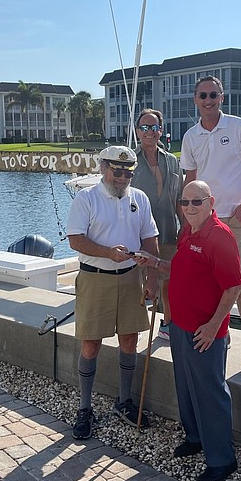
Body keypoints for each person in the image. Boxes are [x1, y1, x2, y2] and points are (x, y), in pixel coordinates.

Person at [133, 180, 241, 481]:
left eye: (197, 202)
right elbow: (182, 270)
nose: (190, 208)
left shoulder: (219, 236)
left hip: (204, 332)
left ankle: (222, 460)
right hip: (179, 326)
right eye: (185, 202)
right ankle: (195, 437)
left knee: (210, 393)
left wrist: (212, 325)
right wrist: (153, 262)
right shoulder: (188, 231)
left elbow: (233, 286)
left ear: (211, 202)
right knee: (186, 387)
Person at [180, 75, 241, 377]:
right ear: (195, 100)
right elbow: (190, 180)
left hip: (232, 219)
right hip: (201, 219)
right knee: (206, 280)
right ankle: (222, 336)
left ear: (222, 98)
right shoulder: (191, 136)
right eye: (203, 96)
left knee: (240, 282)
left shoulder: (238, 127)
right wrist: (187, 218)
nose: (208, 101)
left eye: (213, 95)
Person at [66, 145, 160, 440]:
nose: (122, 178)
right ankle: (84, 408)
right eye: (117, 171)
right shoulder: (87, 198)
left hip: (131, 277)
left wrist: (152, 278)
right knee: (90, 342)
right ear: (103, 169)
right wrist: (107, 252)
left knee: (130, 339)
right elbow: (75, 240)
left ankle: (124, 401)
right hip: (96, 278)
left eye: (128, 172)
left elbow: (150, 238)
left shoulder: (139, 198)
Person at [132, 108, 181, 340]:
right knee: (139, 282)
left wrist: (186, 229)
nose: (149, 132)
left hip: (169, 231)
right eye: (144, 127)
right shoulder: (130, 162)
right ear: (137, 131)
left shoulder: (171, 161)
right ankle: (133, 327)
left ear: (160, 130)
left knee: (169, 282)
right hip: (139, 236)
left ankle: (168, 324)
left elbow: (179, 198)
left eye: (154, 127)